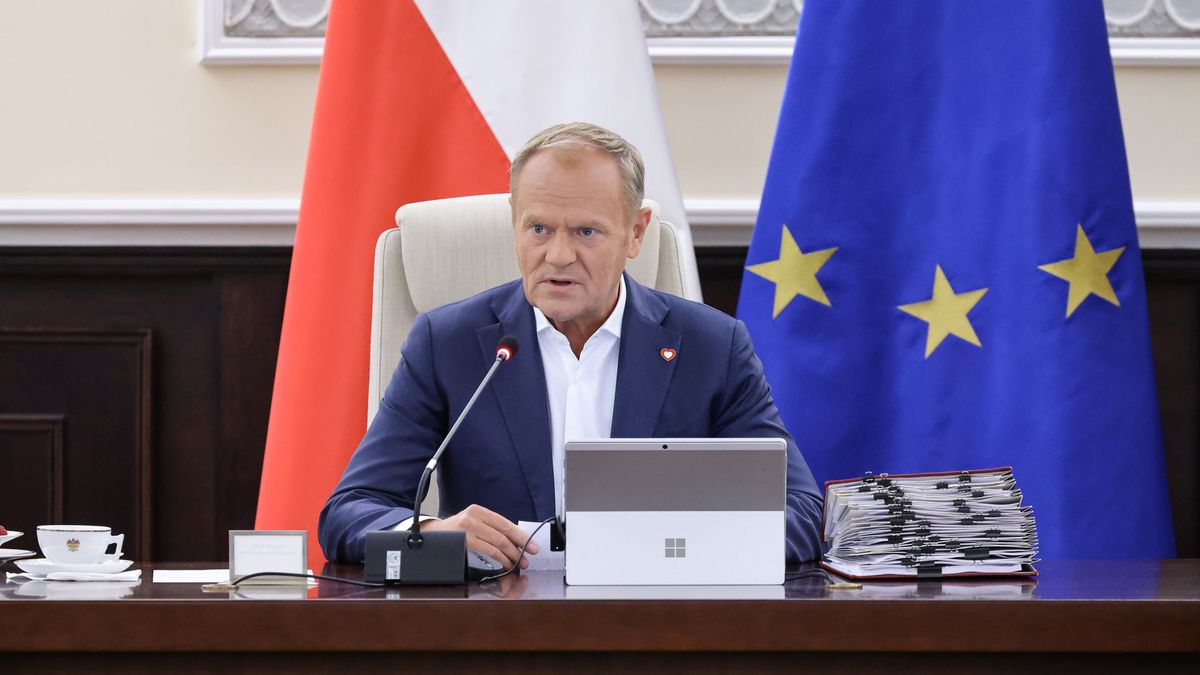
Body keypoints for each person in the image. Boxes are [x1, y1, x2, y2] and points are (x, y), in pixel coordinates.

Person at [319, 122, 823, 567]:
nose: (558, 256)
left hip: (659, 622)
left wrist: (675, 541)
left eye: (586, 231)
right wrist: (430, 535)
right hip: (499, 631)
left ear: (635, 234)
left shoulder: (711, 347)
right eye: (538, 229)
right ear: (514, 228)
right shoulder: (446, 345)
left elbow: (801, 512)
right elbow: (349, 511)